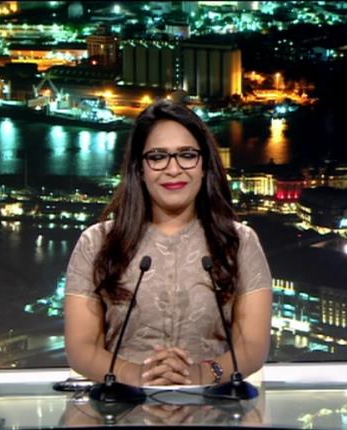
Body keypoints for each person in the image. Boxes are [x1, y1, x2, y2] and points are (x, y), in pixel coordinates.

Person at [63, 99, 272, 387]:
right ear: (140, 169)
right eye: (158, 157)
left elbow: (252, 347)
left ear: (204, 165)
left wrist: (200, 375)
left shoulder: (240, 243)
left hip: (211, 408)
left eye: (187, 155)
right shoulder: (96, 243)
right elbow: (81, 348)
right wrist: (138, 376)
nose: (173, 169)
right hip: (122, 407)